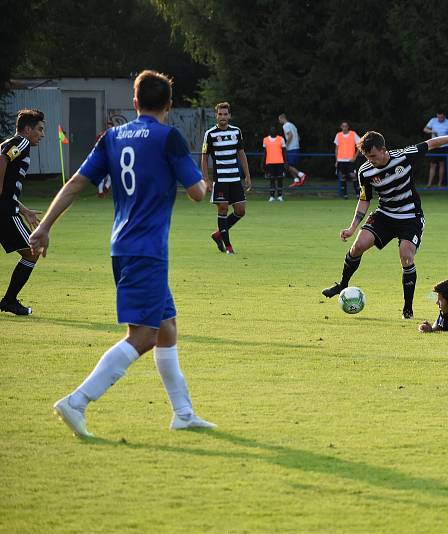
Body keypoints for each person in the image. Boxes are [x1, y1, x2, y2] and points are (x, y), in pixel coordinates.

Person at [29, 70, 216, 437]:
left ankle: (183, 413)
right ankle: (77, 401)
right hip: (146, 250)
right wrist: (206, 181)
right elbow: (196, 192)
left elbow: (75, 184)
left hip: (123, 244)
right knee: (143, 335)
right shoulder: (168, 136)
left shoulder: (112, 137)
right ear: (169, 105)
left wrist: (44, 225)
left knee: (166, 328)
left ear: (134, 103)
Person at [321, 129, 448, 319]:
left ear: (383, 149)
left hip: (410, 216)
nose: (370, 160)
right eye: (367, 157)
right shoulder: (365, 171)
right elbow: (364, 199)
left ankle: (408, 309)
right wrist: (352, 227)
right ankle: (342, 285)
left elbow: (432, 142)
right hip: (385, 214)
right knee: (358, 247)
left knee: (406, 257)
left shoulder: (404, 156)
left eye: (373, 156)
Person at [0, 109, 45, 315]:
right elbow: (2, 160)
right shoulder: (22, 142)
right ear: (27, 129)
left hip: (10, 208)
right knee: (32, 252)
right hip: (5, 212)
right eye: (39, 129)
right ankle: (9, 301)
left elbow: (9, 183)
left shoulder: (13, 142)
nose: (42, 134)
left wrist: (24, 210)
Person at [202, 102, 252, 254]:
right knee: (223, 208)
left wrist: (247, 175)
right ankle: (228, 247)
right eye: (220, 114)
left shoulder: (236, 132)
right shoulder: (210, 134)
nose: (223, 117)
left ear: (229, 115)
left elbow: (241, 154)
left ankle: (218, 234)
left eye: (225, 114)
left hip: (235, 179)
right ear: (216, 115)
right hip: (220, 180)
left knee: (240, 211)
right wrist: (206, 179)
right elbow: (204, 158)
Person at [423, 111, 448, 187]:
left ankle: (440, 183)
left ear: (444, 116)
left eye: (441, 117)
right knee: (432, 165)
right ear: (437, 116)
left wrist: (444, 139)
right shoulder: (433, 120)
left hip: (445, 146)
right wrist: (432, 131)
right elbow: (425, 129)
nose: (440, 119)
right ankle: (429, 184)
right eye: (438, 117)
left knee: (442, 165)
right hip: (434, 146)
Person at [279, 113, 308, 187]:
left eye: (279, 120)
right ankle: (296, 180)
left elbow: (290, 135)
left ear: (282, 118)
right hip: (296, 147)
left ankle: (301, 175)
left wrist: (286, 145)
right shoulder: (293, 125)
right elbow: (298, 137)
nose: (279, 121)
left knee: (287, 165)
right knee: (290, 165)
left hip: (291, 148)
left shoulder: (285, 126)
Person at [334, 121, 361, 199]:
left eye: (346, 126)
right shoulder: (338, 135)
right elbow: (336, 148)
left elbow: (359, 145)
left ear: (348, 127)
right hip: (341, 160)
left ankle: (357, 194)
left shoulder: (353, 134)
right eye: (343, 126)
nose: (344, 127)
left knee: (353, 176)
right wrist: (336, 160)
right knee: (343, 177)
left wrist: (355, 157)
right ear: (341, 127)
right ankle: (345, 195)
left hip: (350, 160)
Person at [262, 125, 287, 202]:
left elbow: (284, 152)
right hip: (269, 162)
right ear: (270, 131)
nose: (273, 131)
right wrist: (263, 163)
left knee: (280, 179)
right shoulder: (265, 140)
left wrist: (285, 162)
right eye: (272, 129)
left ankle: (280, 196)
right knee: (271, 179)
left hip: (280, 162)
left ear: (276, 131)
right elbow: (265, 153)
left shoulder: (281, 139)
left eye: (274, 129)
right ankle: (272, 196)